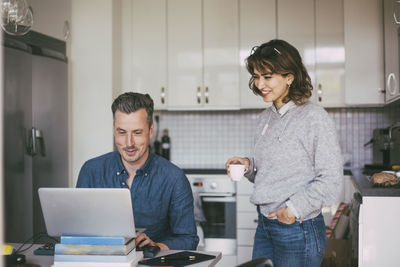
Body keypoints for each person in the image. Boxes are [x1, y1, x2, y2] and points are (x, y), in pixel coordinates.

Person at [225, 39, 343, 267]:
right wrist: (248, 165)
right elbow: (270, 171)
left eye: (267, 77)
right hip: (265, 227)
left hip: (297, 228)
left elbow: (330, 179)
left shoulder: (314, 117)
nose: (260, 84)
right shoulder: (265, 118)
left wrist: (292, 211)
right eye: (256, 77)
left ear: (290, 77)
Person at [77, 92, 199, 250]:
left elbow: (188, 239)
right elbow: (78, 232)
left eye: (137, 133)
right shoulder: (91, 171)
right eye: (122, 132)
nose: (129, 143)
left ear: (150, 131)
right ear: (114, 129)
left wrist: (156, 246)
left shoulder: (174, 178)